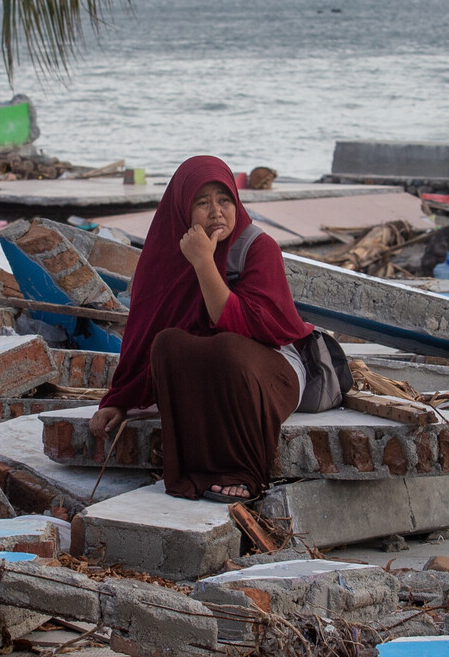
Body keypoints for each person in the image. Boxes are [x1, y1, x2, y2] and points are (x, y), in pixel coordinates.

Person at [89, 155, 312, 502]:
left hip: (269, 372)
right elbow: (143, 337)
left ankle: (243, 472)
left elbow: (251, 327)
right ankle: (194, 471)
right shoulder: (164, 256)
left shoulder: (257, 247)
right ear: (182, 208)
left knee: (226, 347)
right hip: (209, 377)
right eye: (202, 202)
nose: (216, 212)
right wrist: (120, 401)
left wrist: (204, 262)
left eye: (224, 200)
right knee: (167, 344)